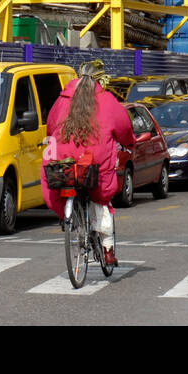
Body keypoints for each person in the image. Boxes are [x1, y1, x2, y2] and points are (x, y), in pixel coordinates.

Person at [41, 60, 135, 266]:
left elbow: (50, 125)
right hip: (94, 161)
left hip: (64, 161)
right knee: (101, 200)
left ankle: (68, 217)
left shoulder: (63, 99)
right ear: (100, 80)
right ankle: (108, 249)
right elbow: (124, 128)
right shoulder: (107, 100)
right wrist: (129, 144)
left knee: (60, 178)